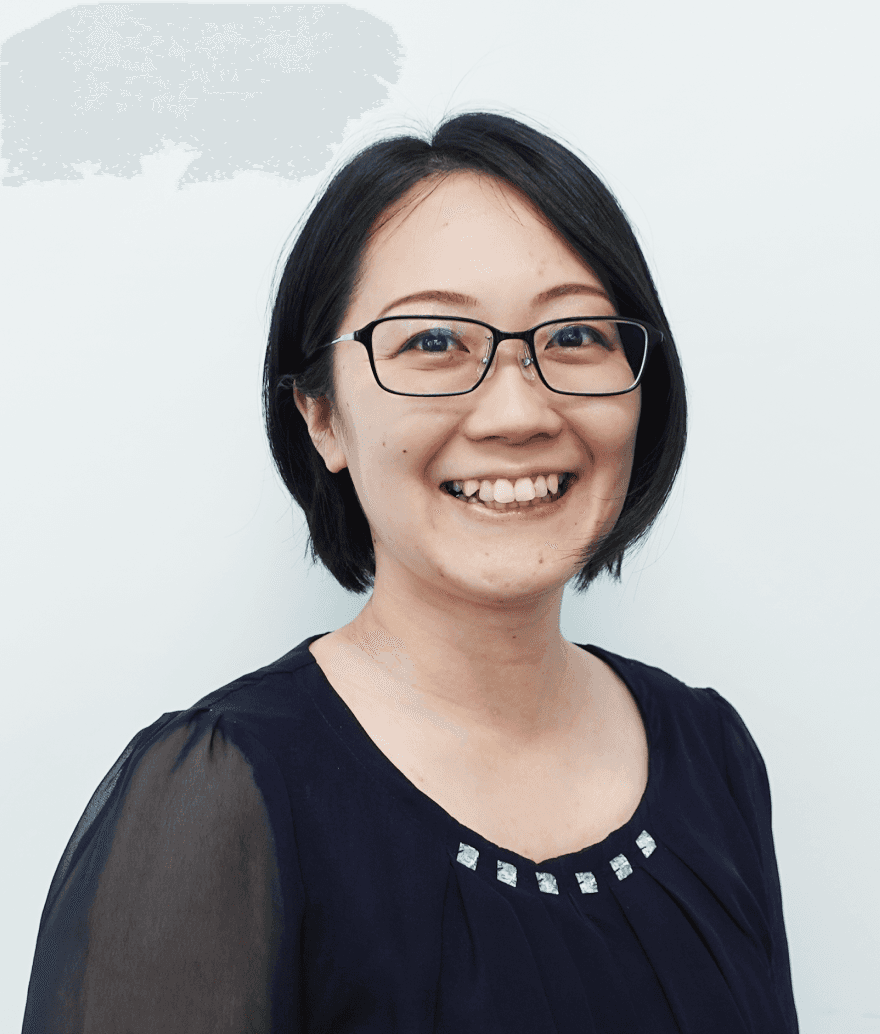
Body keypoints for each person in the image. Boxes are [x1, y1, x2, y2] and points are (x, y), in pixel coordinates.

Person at [21, 112, 799, 1033]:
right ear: (321, 415)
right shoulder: (217, 796)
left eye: (574, 336)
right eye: (434, 343)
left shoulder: (712, 754)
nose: (518, 413)